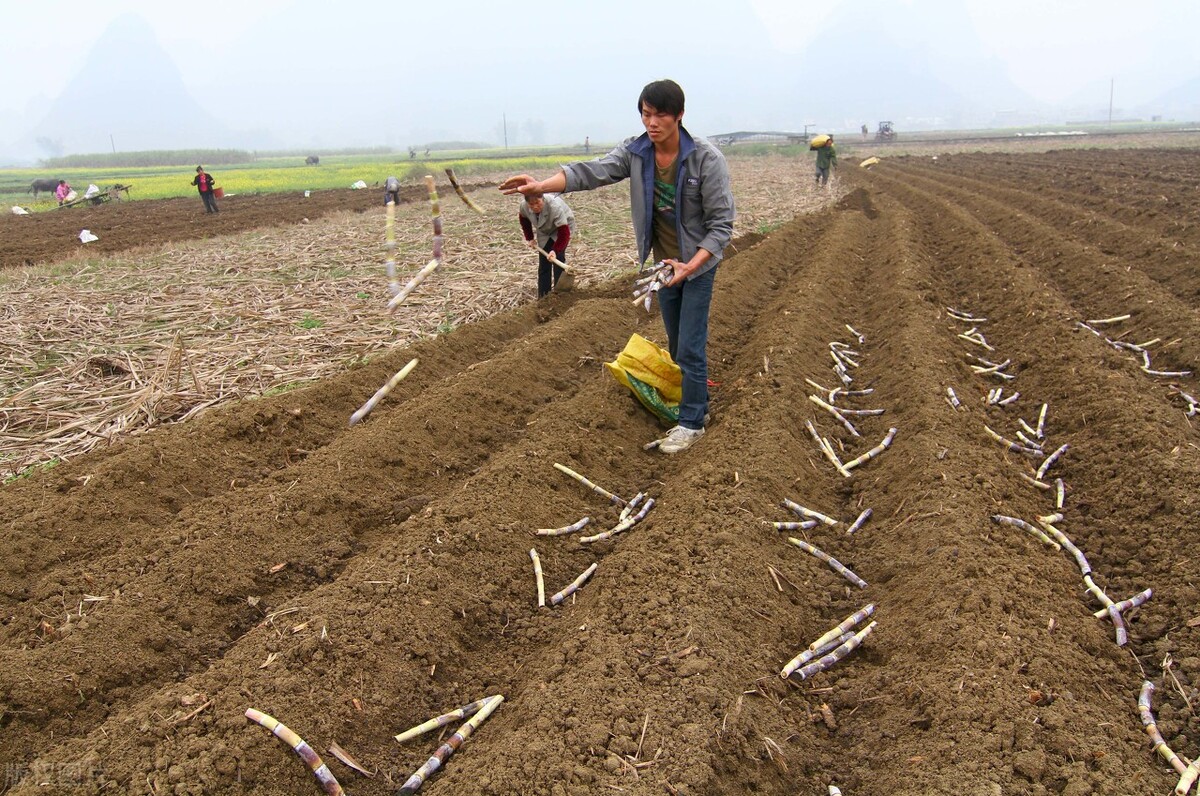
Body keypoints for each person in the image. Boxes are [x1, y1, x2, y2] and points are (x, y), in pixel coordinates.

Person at [500, 79, 735, 454]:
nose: (652, 122)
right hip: (664, 267)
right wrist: (541, 186)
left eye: (660, 114)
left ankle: (691, 423)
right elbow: (591, 172)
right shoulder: (637, 152)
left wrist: (690, 266)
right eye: (646, 113)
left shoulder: (706, 160)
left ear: (679, 116)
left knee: (690, 345)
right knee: (676, 344)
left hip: (697, 266)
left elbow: (722, 225)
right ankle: (697, 407)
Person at [518, 192, 574, 298]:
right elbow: (524, 220)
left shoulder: (554, 207)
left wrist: (555, 250)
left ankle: (560, 296)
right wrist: (529, 238)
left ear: (542, 199)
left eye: (538, 203)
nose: (535, 206)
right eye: (531, 204)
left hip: (562, 228)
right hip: (544, 229)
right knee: (544, 262)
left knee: (558, 259)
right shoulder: (524, 206)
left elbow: (563, 233)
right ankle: (544, 296)